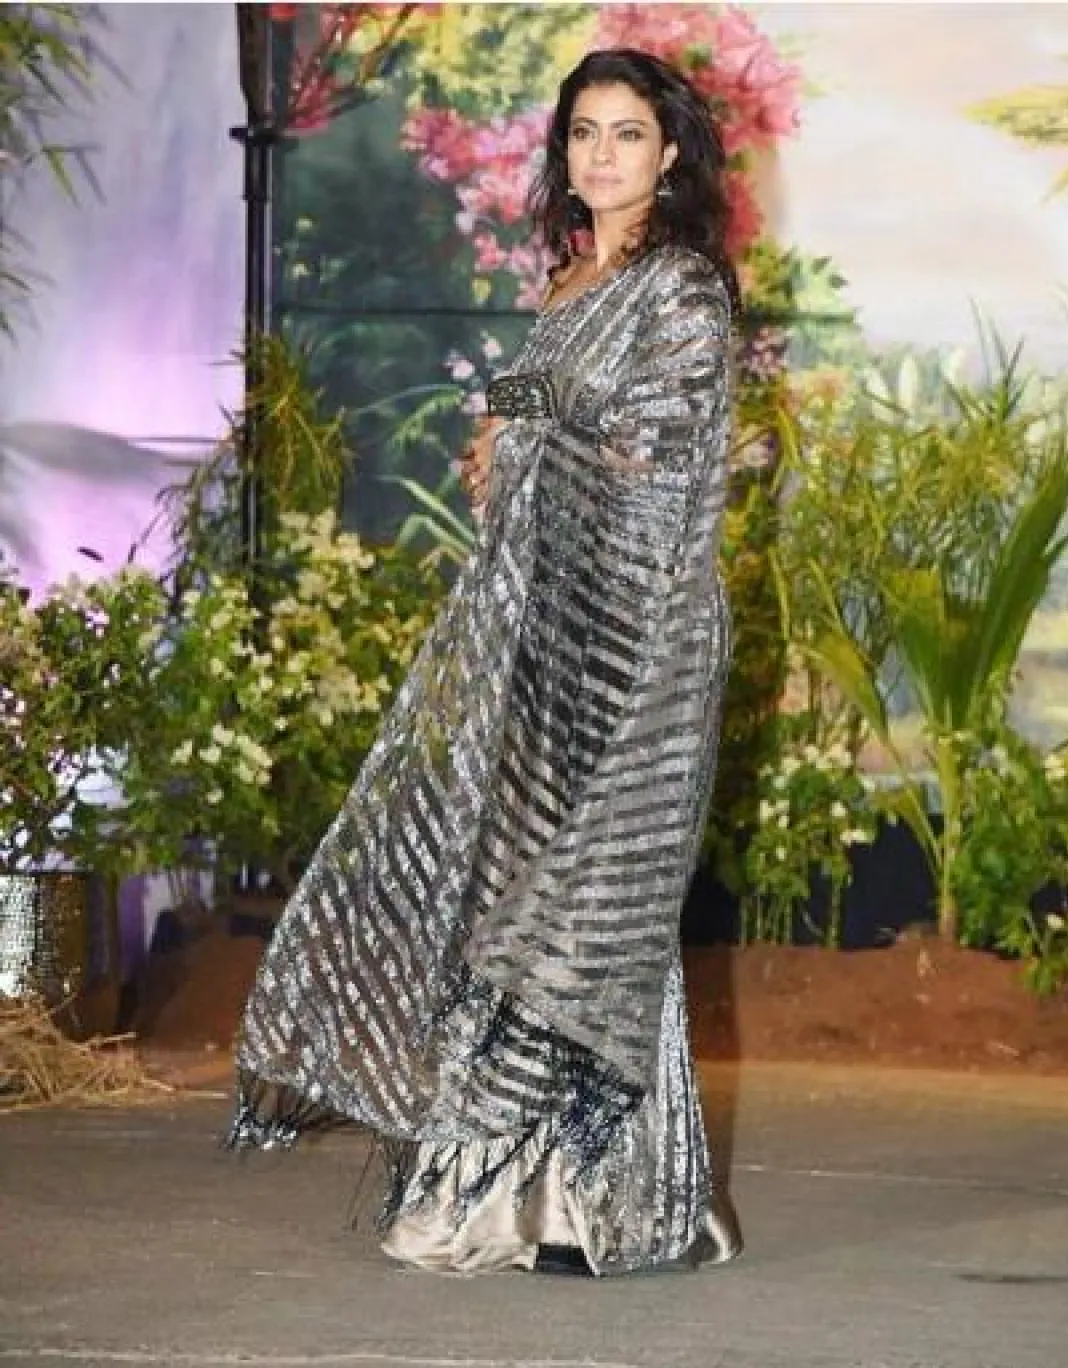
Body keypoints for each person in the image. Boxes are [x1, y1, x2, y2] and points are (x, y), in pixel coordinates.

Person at [229, 46, 743, 1278]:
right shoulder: (572, 279)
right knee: (518, 893)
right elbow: (531, 407)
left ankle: (603, 1207)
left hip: (645, 637)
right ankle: (510, 1197)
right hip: (548, 630)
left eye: (627, 134)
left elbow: (661, 451)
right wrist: (501, 440)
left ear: (670, 154)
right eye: (584, 133)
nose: (601, 156)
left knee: (596, 908)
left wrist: (532, 424)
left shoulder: (682, 288)